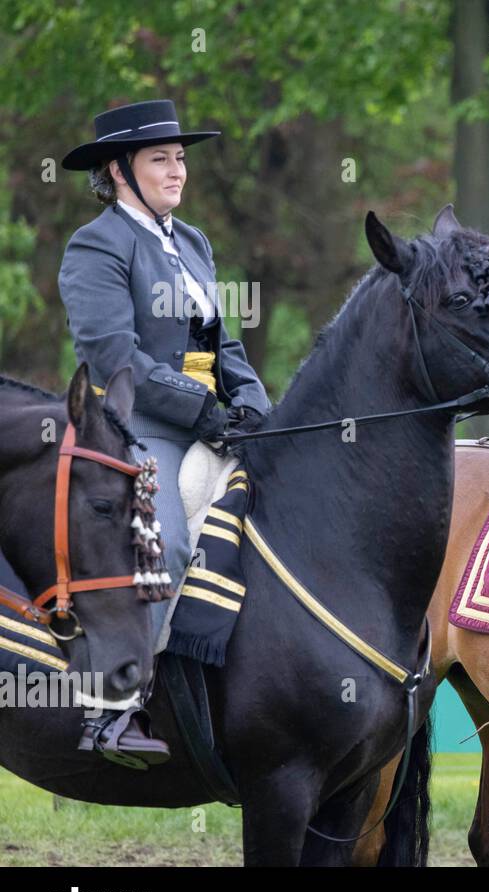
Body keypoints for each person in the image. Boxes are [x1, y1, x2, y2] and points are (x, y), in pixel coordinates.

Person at [59, 99, 271, 766]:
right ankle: (112, 707)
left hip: (207, 421)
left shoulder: (193, 242)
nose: (178, 169)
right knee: (167, 537)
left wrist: (255, 411)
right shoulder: (97, 245)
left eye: (180, 157)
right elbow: (116, 357)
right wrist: (199, 410)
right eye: (161, 159)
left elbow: (223, 343)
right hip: (137, 426)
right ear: (120, 171)